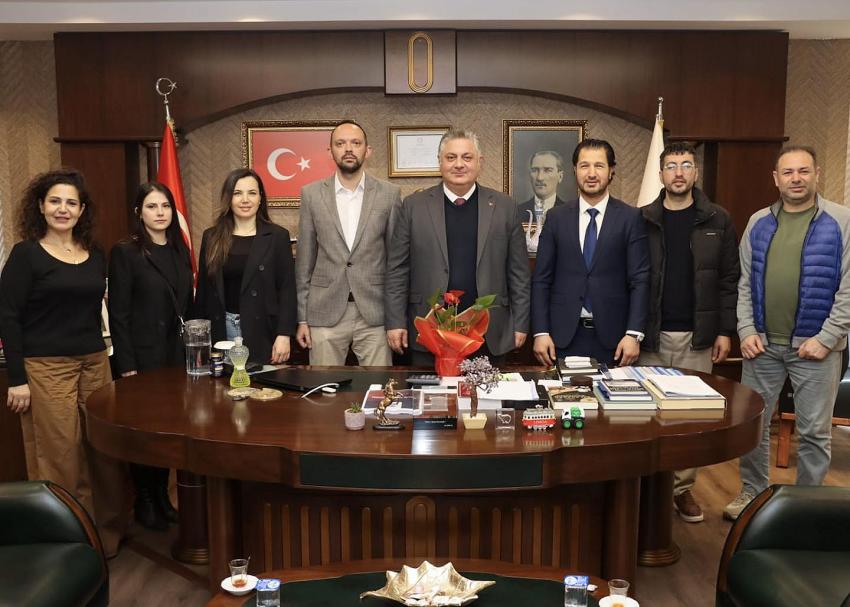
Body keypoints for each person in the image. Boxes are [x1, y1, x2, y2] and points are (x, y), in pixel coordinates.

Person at [0, 168, 127, 556]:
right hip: (46, 366)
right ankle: (71, 541)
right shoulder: (26, 255)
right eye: (55, 201)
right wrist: (17, 379)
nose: (63, 209)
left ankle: (106, 536)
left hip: (94, 361)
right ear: (40, 206)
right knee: (61, 455)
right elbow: (8, 316)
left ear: (82, 210)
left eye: (71, 202)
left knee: (103, 449)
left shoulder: (95, 253)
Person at [724, 145, 850, 520]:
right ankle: (752, 493)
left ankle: (807, 505)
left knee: (814, 433)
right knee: (753, 426)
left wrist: (827, 337)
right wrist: (746, 329)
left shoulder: (841, 220)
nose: (796, 179)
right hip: (761, 346)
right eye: (788, 172)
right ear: (776, 179)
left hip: (817, 348)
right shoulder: (758, 222)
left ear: (816, 174)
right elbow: (744, 283)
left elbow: (848, 288)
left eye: (803, 171)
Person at [639, 142, 740, 523]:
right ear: (661, 174)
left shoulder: (718, 219)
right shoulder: (643, 219)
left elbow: (729, 279)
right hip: (650, 335)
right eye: (671, 166)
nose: (678, 172)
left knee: (690, 420)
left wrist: (725, 330)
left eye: (685, 165)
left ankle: (681, 490)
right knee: (647, 417)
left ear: (695, 173)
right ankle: (647, 490)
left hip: (698, 336)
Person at [385, 128, 530, 365]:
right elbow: (397, 271)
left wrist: (521, 323)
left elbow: (519, 274)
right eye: (451, 157)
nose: (459, 164)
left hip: (489, 331)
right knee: (429, 390)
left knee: (486, 390)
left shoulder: (505, 207)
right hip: (429, 331)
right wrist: (395, 322)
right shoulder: (413, 206)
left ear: (480, 161)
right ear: (440, 162)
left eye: (467, 157)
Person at [108, 181, 193, 531]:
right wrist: (126, 364)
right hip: (142, 359)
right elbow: (119, 313)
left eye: (165, 206)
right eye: (152, 206)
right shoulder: (126, 252)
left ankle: (161, 496)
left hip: (176, 357)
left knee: (168, 431)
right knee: (144, 433)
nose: (160, 213)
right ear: (138, 213)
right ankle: (145, 500)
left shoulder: (179, 249)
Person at [532, 138, 650, 367]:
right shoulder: (556, 218)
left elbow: (640, 279)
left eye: (599, 166)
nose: (592, 173)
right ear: (574, 170)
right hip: (562, 337)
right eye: (585, 166)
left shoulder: (630, 218)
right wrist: (540, 332)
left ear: (611, 170)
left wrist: (634, 333)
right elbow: (541, 280)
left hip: (616, 340)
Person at [295, 121, 402, 365]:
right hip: (324, 310)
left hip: (375, 313)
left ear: (368, 150)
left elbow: (396, 262)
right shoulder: (311, 194)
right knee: (323, 386)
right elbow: (304, 262)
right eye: (340, 143)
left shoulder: (389, 194)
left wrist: (397, 317)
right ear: (330, 151)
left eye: (356, 143)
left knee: (379, 385)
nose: (348, 149)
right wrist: (302, 318)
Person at [195, 168, 297, 364]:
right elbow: (203, 292)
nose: (245, 200)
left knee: (261, 382)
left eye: (252, 193)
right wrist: (200, 340)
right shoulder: (212, 236)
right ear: (228, 198)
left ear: (260, 198)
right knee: (223, 383)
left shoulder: (277, 236)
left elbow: (287, 289)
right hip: (221, 329)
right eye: (237, 193)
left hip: (263, 329)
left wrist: (284, 334)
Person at [517, 150, 567, 226]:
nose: (540, 178)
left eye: (548, 170)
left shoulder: (570, 213)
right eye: (535, 170)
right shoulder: (517, 212)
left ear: (560, 176)